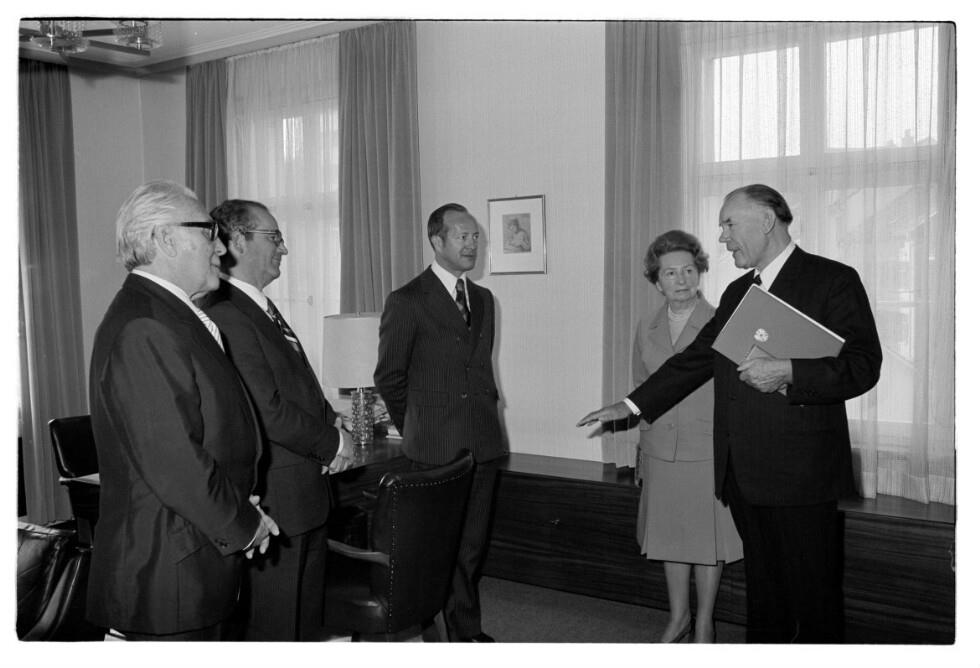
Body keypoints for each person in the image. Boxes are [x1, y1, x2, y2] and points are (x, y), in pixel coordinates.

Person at [578, 184, 881, 643]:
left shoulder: (833, 280)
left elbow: (863, 366)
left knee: (813, 596)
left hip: (802, 474)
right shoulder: (739, 292)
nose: (722, 238)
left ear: (766, 220)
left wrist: (790, 371)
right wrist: (631, 405)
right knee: (765, 594)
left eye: (728, 224)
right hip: (744, 475)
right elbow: (695, 359)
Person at [87, 181, 279, 641]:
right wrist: (243, 524)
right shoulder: (145, 325)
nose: (221, 248)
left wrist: (239, 504)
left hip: (190, 554)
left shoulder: (168, 314)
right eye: (208, 232)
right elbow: (175, 463)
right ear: (165, 239)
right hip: (167, 571)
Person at [204, 199, 354, 640]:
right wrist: (332, 444)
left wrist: (332, 424)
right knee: (276, 629)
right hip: (275, 501)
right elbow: (264, 409)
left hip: (304, 496)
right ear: (237, 241)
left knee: (304, 627)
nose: (284, 248)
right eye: (274, 237)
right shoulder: (226, 313)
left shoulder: (260, 307)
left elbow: (299, 385)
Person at [374, 202, 506, 642]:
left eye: (475, 237)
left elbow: (477, 369)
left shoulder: (483, 300)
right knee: (434, 551)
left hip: (483, 442)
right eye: (463, 236)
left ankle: (466, 634)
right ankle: (435, 636)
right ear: (437, 240)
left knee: (470, 548)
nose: (472, 244)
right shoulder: (408, 300)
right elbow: (389, 377)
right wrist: (418, 426)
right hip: (434, 448)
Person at [632, 230, 742, 643]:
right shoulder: (646, 326)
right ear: (656, 281)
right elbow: (641, 388)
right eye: (670, 273)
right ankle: (678, 618)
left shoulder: (721, 322)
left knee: (704, 540)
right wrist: (640, 449)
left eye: (689, 270)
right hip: (660, 447)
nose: (681, 279)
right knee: (670, 536)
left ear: (700, 273)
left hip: (706, 447)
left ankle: (704, 623)